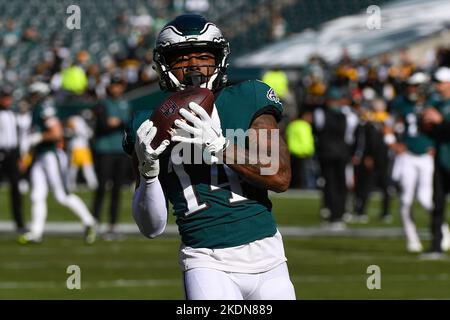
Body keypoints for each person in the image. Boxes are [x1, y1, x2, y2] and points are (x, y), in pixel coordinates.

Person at [123, 14, 296, 300]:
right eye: (182, 59)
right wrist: (148, 171)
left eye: (204, 56)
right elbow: (151, 227)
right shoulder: (148, 123)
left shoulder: (249, 96)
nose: (194, 66)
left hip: (270, 258)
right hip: (206, 260)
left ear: (219, 60)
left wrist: (219, 146)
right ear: (164, 65)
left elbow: (280, 176)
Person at [18, 82, 96, 244]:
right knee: (36, 195)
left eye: (34, 95)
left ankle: (89, 222)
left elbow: (56, 133)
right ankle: (36, 232)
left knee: (62, 196)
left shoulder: (45, 107)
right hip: (41, 156)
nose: (31, 98)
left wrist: (38, 138)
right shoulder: (38, 109)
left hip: (51, 156)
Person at [387, 72, 436, 253]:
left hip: (426, 156)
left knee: (425, 199)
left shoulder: (434, 103)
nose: (412, 89)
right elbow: (389, 124)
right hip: (408, 155)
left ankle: (441, 229)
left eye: (416, 86)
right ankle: (412, 237)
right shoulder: (401, 103)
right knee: (406, 200)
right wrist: (392, 143)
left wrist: (435, 146)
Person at [92, 74, 131, 240]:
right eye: (114, 85)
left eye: (119, 85)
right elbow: (101, 125)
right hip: (104, 150)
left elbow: (129, 123)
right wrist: (115, 123)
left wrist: (117, 122)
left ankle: (112, 224)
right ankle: (93, 222)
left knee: (117, 189)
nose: (117, 88)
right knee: (101, 187)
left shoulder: (125, 103)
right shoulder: (103, 103)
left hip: (120, 151)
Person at [420, 66, 450, 257]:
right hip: (442, 159)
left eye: (441, 82)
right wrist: (427, 123)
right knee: (437, 203)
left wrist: (440, 122)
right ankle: (436, 246)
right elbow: (432, 132)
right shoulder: (436, 104)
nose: (438, 86)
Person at [0, 86, 26, 233]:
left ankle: (20, 222)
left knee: (16, 189)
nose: (7, 100)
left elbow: (16, 138)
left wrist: (20, 157)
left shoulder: (12, 115)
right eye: (5, 97)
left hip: (12, 154)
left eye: (8, 97)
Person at [66, 114, 98, 191]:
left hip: (84, 147)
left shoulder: (83, 123)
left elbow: (89, 134)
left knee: (87, 166)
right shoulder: (75, 119)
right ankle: (69, 184)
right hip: (76, 147)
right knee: (73, 167)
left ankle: (92, 183)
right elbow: (70, 130)